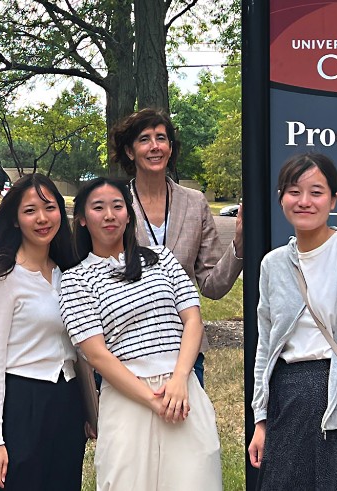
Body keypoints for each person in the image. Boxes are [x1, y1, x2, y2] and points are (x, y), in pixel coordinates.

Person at [59, 177, 221, 490]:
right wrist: (151, 400)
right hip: (126, 398)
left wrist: (179, 380)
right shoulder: (76, 280)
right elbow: (96, 354)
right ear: (81, 218)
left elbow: (192, 320)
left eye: (118, 206)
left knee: (195, 479)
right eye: (98, 208)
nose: (109, 215)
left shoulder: (162, 259)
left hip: (181, 391)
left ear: (129, 214)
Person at [246, 153, 337, 490]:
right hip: (289, 401)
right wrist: (261, 419)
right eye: (294, 191)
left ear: (333, 199)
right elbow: (266, 346)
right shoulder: (273, 264)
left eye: (316, 192)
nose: (304, 201)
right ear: (281, 197)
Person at [0, 174, 87, 490]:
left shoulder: (67, 273)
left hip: (65, 400)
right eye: (30, 210)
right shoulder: (5, 276)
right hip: (22, 403)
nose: (42, 218)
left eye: (49, 207)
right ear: (16, 220)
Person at [110, 108, 243, 385]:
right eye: (144, 139)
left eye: (162, 138)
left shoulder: (195, 202)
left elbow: (212, 286)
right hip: (126, 349)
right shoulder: (114, 203)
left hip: (185, 349)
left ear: (170, 148)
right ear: (130, 151)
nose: (155, 146)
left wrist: (239, 246)